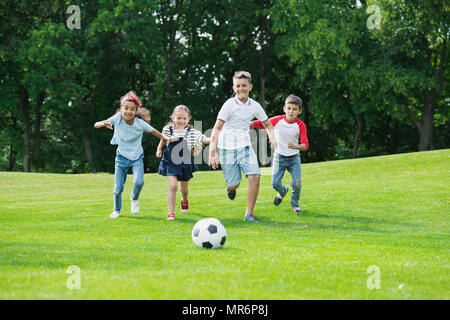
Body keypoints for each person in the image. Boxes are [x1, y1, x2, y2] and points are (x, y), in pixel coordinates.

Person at [208, 71, 277, 222]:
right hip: (227, 148)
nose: (241, 89)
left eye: (244, 86)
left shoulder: (255, 106)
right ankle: (230, 188)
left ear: (250, 87)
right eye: (238, 86)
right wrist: (212, 152)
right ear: (234, 88)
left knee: (255, 177)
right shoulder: (229, 105)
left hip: (245, 146)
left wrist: (272, 137)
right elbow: (216, 128)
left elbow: (268, 125)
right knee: (235, 184)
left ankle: (249, 214)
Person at [94, 91, 174, 219]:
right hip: (121, 158)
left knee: (139, 182)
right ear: (121, 109)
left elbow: (156, 132)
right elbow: (96, 124)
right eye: (126, 108)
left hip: (137, 157)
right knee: (118, 188)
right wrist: (104, 123)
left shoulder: (139, 123)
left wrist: (167, 138)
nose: (128, 111)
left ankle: (134, 198)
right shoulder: (117, 119)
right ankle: (116, 210)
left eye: (132, 109)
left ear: (136, 111)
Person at [250, 94, 309, 214]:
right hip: (279, 157)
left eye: (294, 109)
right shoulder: (278, 120)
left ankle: (295, 206)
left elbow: (305, 145)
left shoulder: (301, 125)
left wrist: (295, 146)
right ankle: (282, 191)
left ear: (299, 111)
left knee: (297, 183)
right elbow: (262, 124)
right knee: (274, 183)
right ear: (284, 108)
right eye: (289, 108)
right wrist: (249, 124)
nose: (291, 111)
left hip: (294, 159)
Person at [156, 105, 211, 221]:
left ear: (188, 119)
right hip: (170, 161)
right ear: (173, 117)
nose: (181, 121)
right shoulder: (167, 129)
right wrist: (159, 148)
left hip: (185, 163)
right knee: (173, 186)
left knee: (184, 189)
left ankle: (184, 200)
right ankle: (171, 213)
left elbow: (203, 139)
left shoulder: (192, 132)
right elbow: (163, 138)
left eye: (184, 119)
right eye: (179, 118)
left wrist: (212, 139)